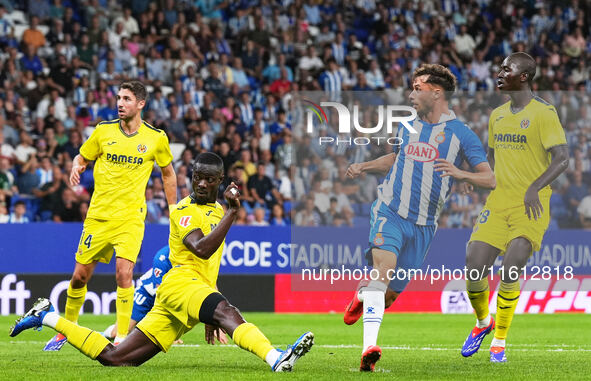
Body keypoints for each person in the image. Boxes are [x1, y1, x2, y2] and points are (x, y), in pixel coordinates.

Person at [10, 153, 314, 372]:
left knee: (116, 358)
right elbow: (201, 250)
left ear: (220, 181)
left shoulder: (219, 211)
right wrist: (234, 214)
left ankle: (47, 316)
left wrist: (208, 315)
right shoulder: (183, 211)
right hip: (180, 283)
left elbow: (211, 265)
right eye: (198, 177)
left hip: (188, 293)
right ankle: (277, 358)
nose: (203, 184)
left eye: (210, 179)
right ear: (192, 177)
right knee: (229, 311)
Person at [343, 64, 495, 371]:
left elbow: (489, 179)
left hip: (424, 227)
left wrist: (458, 172)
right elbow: (397, 158)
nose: (411, 94)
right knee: (383, 268)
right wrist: (365, 167)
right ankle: (368, 350)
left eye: (417, 88)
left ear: (436, 93)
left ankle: (363, 294)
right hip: (390, 211)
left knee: (386, 297)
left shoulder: (461, 135)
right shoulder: (407, 125)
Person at [44, 81, 178, 351]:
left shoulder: (155, 138)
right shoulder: (103, 131)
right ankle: (66, 331)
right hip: (99, 217)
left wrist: (173, 209)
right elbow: (82, 157)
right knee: (80, 277)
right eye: (118, 98)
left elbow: (168, 173)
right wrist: (76, 167)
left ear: (140, 104)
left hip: (130, 218)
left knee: (123, 274)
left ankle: (120, 339)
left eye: (126, 99)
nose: (120, 103)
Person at [461, 52, 569, 363]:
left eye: (507, 68)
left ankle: (500, 342)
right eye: (500, 66)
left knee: (512, 265)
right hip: (499, 203)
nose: (499, 71)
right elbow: (491, 161)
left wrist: (535, 187)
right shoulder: (497, 116)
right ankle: (483, 323)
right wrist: (476, 177)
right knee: (473, 264)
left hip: (530, 206)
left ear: (523, 76)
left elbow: (562, 158)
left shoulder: (544, 114)